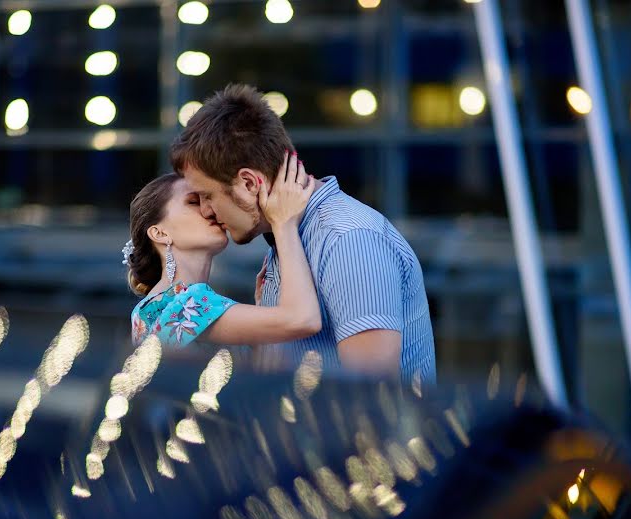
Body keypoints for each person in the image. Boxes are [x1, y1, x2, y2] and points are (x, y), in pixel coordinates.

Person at [170, 84, 436, 383]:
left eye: (206, 196)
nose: (206, 210)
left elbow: (370, 390)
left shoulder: (347, 238)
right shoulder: (292, 236)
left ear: (248, 183)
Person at [126, 153, 322, 349]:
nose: (208, 210)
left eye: (208, 198)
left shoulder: (150, 307)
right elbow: (302, 320)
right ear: (159, 233)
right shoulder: (187, 303)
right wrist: (284, 223)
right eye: (194, 202)